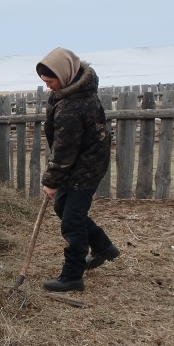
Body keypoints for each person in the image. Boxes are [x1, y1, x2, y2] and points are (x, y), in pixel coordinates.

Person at [37, 47, 119, 292]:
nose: (48, 86)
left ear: (64, 74)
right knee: (64, 207)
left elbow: (65, 149)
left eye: (50, 81)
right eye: (45, 82)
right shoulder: (67, 93)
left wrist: (51, 180)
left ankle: (72, 276)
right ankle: (103, 247)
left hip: (85, 168)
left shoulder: (73, 105)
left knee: (72, 220)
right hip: (81, 163)